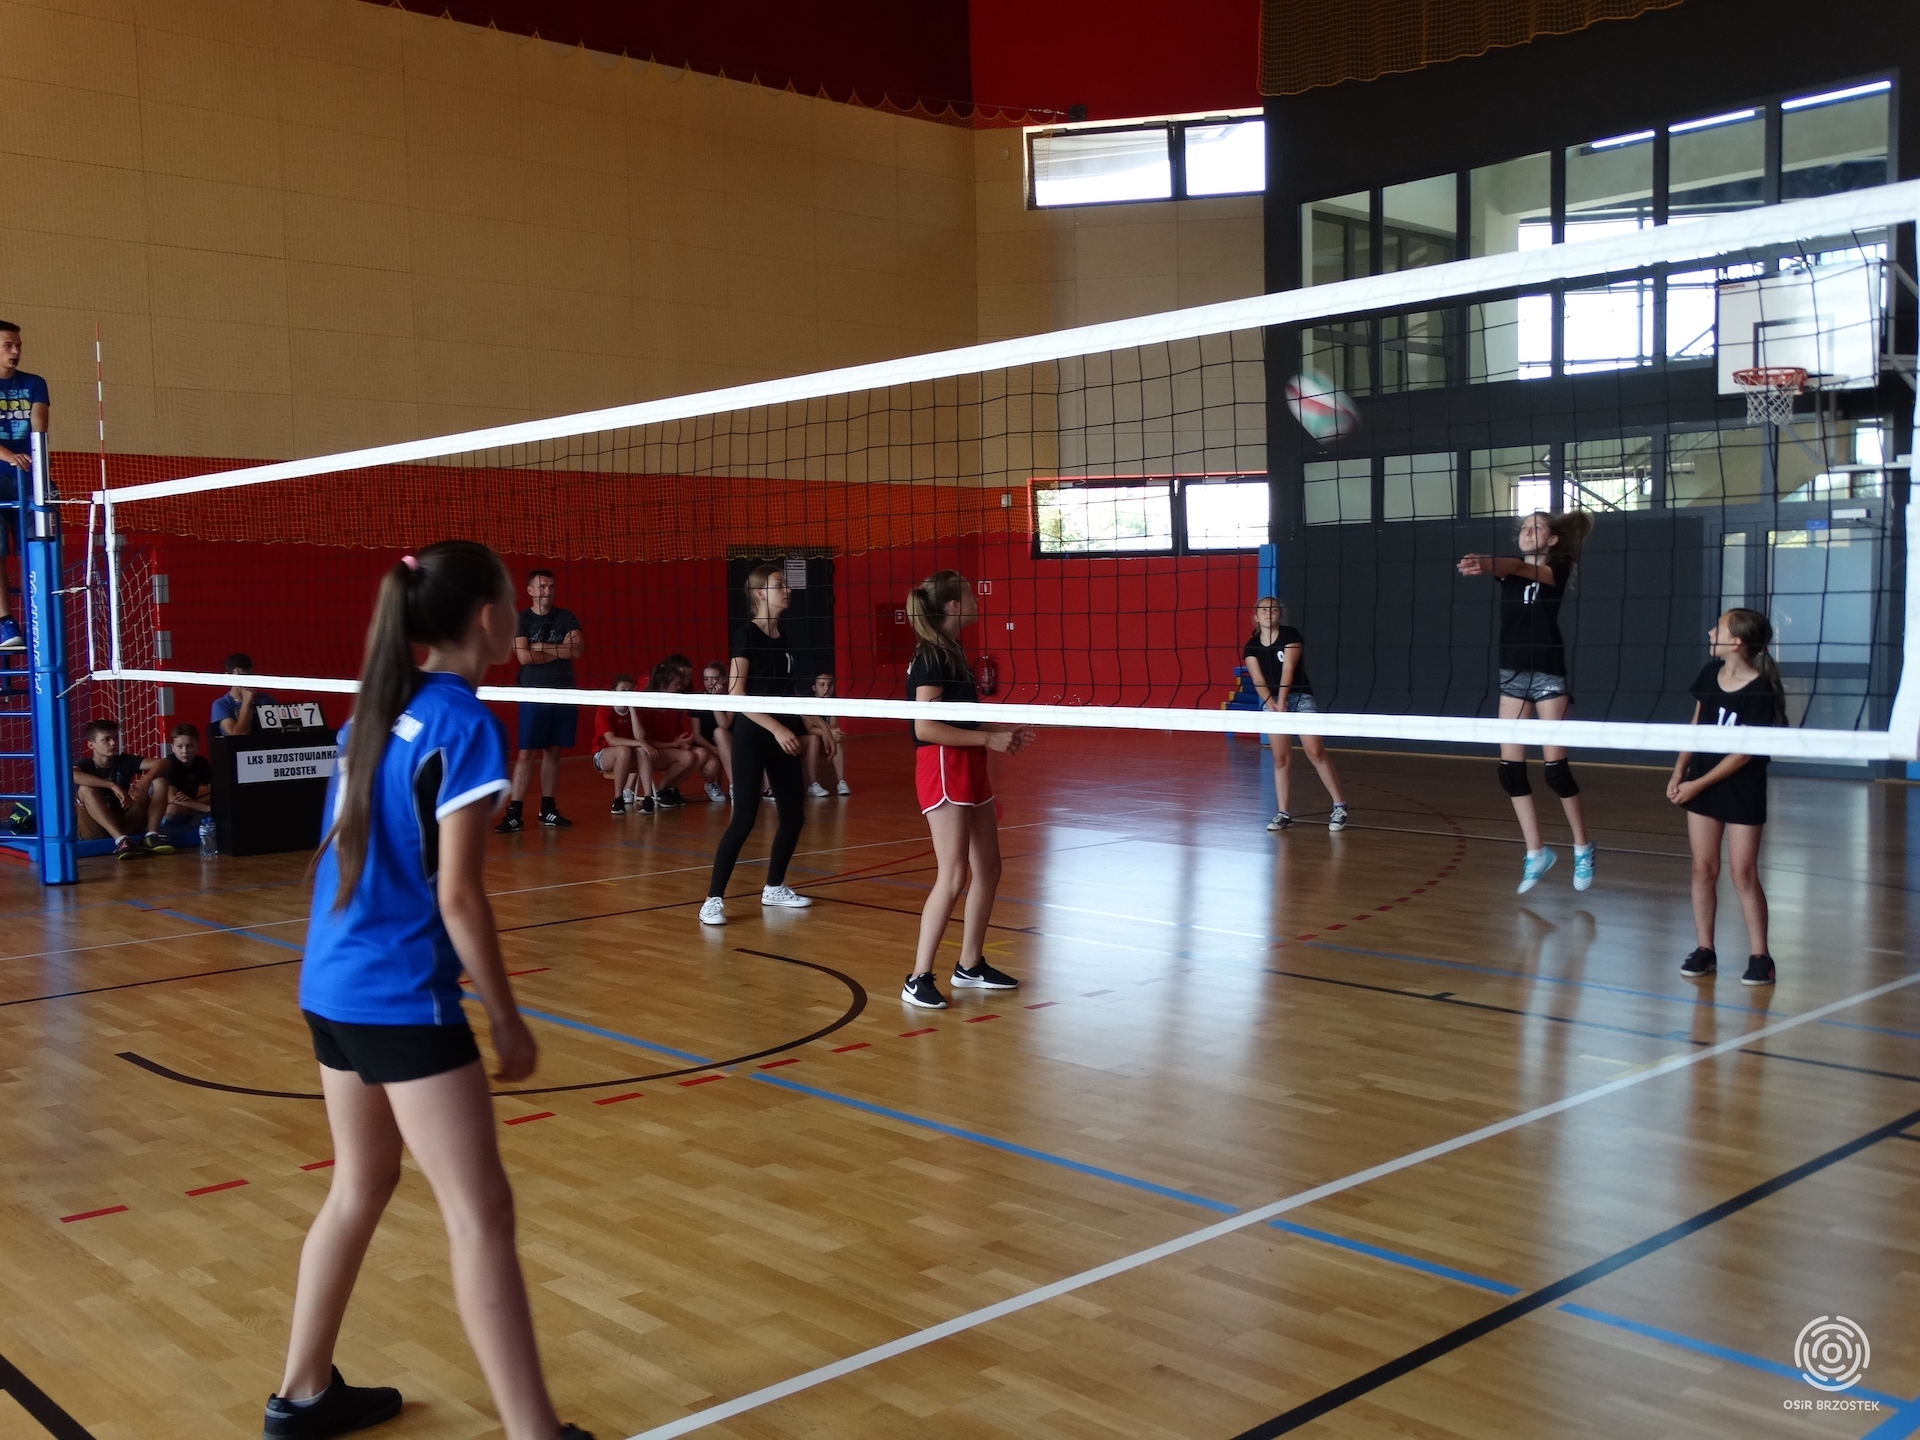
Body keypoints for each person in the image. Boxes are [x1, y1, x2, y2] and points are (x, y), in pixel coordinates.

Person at [269, 542, 594, 1440]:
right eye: (511, 602)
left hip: (332, 982)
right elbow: (458, 895)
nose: (517, 616)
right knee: (481, 1215)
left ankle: (302, 1395)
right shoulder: (462, 722)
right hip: (400, 994)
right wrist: (507, 1017)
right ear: (490, 620)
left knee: (360, 1183)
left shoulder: (376, 711)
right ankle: (534, 1432)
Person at [900, 571, 1033, 1009]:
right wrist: (988, 739)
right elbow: (925, 727)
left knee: (988, 867)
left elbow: (961, 718)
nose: (978, 599)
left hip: (968, 759)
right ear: (954, 606)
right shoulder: (930, 656)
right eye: (971, 595)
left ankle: (970, 965)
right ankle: (918, 977)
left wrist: (998, 734)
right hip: (943, 763)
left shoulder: (953, 649)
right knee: (954, 874)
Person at [1457, 509, 1598, 894]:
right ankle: (1536, 851)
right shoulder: (1509, 571)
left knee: (1556, 771)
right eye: (1523, 527)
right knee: (1510, 771)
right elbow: (1511, 568)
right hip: (1513, 677)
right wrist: (1490, 565)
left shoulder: (1555, 570)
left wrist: (1488, 562)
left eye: (1535, 527)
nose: (1526, 531)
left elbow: (1520, 567)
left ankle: (1583, 846)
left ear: (1552, 540)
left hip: (1548, 675)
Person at [1670, 609, 1784, 988]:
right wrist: (1680, 771)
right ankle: (1705, 949)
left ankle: (1761, 957)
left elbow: (1743, 754)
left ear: (1736, 642)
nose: (1709, 631)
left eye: (1717, 627)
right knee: (1703, 869)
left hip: (1741, 787)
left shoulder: (1760, 690)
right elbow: (1695, 726)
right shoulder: (1709, 674)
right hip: (1701, 781)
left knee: (1743, 873)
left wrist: (1697, 785)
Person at [699, 564, 814, 925]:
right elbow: (737, 696)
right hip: (753, 735)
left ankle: (774, 887)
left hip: (782, 734)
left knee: (794, 816)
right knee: (744, 819)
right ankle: (712, 899)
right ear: (760, 593)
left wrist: (817, 725)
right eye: (780, 585)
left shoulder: (785, 637)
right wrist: (777, 729)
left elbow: (787, 694)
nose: (787, 590)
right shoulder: (746, 634)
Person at [1241, 597, 1347, 833]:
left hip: (1299, 698)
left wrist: (1282, 701)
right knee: (1280, 759)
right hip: (1272, 702)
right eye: (1263, 609)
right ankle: (1283, 813)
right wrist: (1272, 704)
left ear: (1280, 614)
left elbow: (1288, 669)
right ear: (1256, 617)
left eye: (1273, 609)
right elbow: (1258, 680)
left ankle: (1340, 806)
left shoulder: (1290, 635)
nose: (1268, 612)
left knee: (1315, 751)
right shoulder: (1251, 646)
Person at [497, 570, 583, 832]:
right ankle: (514, 812)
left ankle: (548, 809)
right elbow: (524, 657)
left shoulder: (566, 616)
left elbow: (577, 650)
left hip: (563, 691)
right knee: (526, 752)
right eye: (542, 586)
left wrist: (541, 647)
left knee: (553, 751)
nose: (548, 591)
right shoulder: (521, 619)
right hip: (532, 692)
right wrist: (560, 650)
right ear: (531, 591)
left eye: (551, 586)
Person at [0, 319, 48, 651]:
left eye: (18, 345)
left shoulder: (34, 383)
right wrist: (7, 455)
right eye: (8, 345)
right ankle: (5, 623)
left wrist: (33, 457)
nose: (15, 351)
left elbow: (39, 426)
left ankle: (39, 615)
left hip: (28, 478)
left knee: (37, 545)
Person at [71, 718, 172, 859]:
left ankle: (151, 835)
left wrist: (145, 780)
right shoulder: (84, 764)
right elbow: (73, 775)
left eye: (115, 738)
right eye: (106, 740)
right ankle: (121, 840)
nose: (113, 743)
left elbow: (164, 762)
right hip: (95, 829)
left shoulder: (124, 760)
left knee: (160, 781)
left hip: (125, 820)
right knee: (85, 790)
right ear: (91, 745)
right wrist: (112, 785)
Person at [638, 662, 701, 807]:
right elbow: (646, 742)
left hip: (667, 750)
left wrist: (682, 743)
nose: (679, 687)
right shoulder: (647, 706)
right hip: (649, 753)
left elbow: (676, 736)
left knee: (701, 754)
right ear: (663, 685)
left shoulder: (673, 704)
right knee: (688, 757)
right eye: (676, 684)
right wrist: (674, 744)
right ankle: (660, 790)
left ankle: (669, 788)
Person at [590, 675, 649, 815]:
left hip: (628, 753)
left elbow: (640, 737)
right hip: (603, 755)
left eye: (630, 690)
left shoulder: (636, 710)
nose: (626, 693)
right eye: (623, 690)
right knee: (624, 750)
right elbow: (611, 740)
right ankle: (618, 798)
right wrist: (639, 743)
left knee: (641, 750)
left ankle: (648, 798)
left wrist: (632, 708)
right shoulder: (605, 709)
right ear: (614, 692)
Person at [152, 721, 214, 828]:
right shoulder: (169, 763)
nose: (185, 751)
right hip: (166, 805)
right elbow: (171, 798)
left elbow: (216, 792)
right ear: (173, 748)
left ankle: (192, 813)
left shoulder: (201, 762)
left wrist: (194, 802)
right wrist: (204, 808)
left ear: (197, 746)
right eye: (180, 746)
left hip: (187, 802)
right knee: (172, 810)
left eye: (189, 746)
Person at [689, 660, 732, 802]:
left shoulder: (731, 698)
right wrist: (712, 748)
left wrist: (715, 700)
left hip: (729, 743)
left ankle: (735, 786)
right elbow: (696, 734)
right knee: (711, 767)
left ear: (724, 679)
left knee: (720, 732)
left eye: (714, 678)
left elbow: (724, 725)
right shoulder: (698, 700)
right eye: (706, 679)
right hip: (707, 745)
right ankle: (711, 784)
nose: (710, 683)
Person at [802, 673, 851, 797]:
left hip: (822, 738)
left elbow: (833, 724)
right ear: (814, 688)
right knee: (814, 739)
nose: (826, 688)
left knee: (837, 738)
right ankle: (812, 784)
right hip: (804, 738)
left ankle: (841, 782)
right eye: (822, 685)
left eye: (829, 685)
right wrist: (829, 732)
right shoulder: (807, 702)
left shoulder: (834, 702)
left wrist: (834, 732)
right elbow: (810, 729)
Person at [212, 653, 276, 737]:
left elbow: (275, 731)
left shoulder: (265, 700)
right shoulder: (221, 705)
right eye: (241, 676)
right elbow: (235, 735)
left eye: (249, 675)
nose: (246, 680)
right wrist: (246, 703)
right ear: (229, 677)